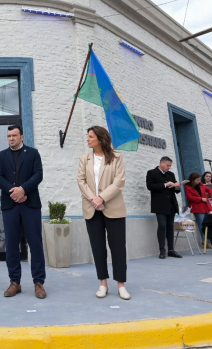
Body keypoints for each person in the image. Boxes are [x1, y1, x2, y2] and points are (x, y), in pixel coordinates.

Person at [77, 126, 130, 300]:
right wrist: (94, 198)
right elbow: (81, 180)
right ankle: (103, 283)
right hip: (92, 209)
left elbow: (119, 182)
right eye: (88, 136)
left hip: (113, 208)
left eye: (90, 136)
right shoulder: (84, 159)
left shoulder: (116, 157)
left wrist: (102, 198)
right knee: (98, 248)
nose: (88, 139)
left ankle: (121, 284)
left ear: (100, 139)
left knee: (118, 247)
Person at [0, 124, 46, 299]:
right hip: (10, 206)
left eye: (14, 135)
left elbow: (38, 175)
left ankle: (39, 282)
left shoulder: (33, 153)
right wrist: (14, 192)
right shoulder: (1, 156)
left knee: (35, 243)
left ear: (22, 137)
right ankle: (14, 282)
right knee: (11, 245)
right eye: (9, 136)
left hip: (30, 204)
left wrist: (23, 189)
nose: (11, 138)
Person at [146, 156, 182, 259]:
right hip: (160, 204)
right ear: (161, 163)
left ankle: (171, 249)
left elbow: (176, 191)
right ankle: (162, 250)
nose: (169, 167)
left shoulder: (171, 174)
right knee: (162, 226)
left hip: (171, 204)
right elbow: (150, 187)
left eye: (170, 165)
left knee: (170, 226)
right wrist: (165, 185)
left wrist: (177, 186)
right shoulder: (152, 173)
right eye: (167, 165)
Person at [184, 172, 212, 249]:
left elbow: (209, 189)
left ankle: (208, 241)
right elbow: (190, 197)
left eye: (199, 179)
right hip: (197, 208)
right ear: (193, 180)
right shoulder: (187, 187)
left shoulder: (201, 184)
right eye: (197, 180)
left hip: (206, 207)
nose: (199, 181)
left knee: (208, 224)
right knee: (202, 225)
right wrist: (201, 199)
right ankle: (205, 241)